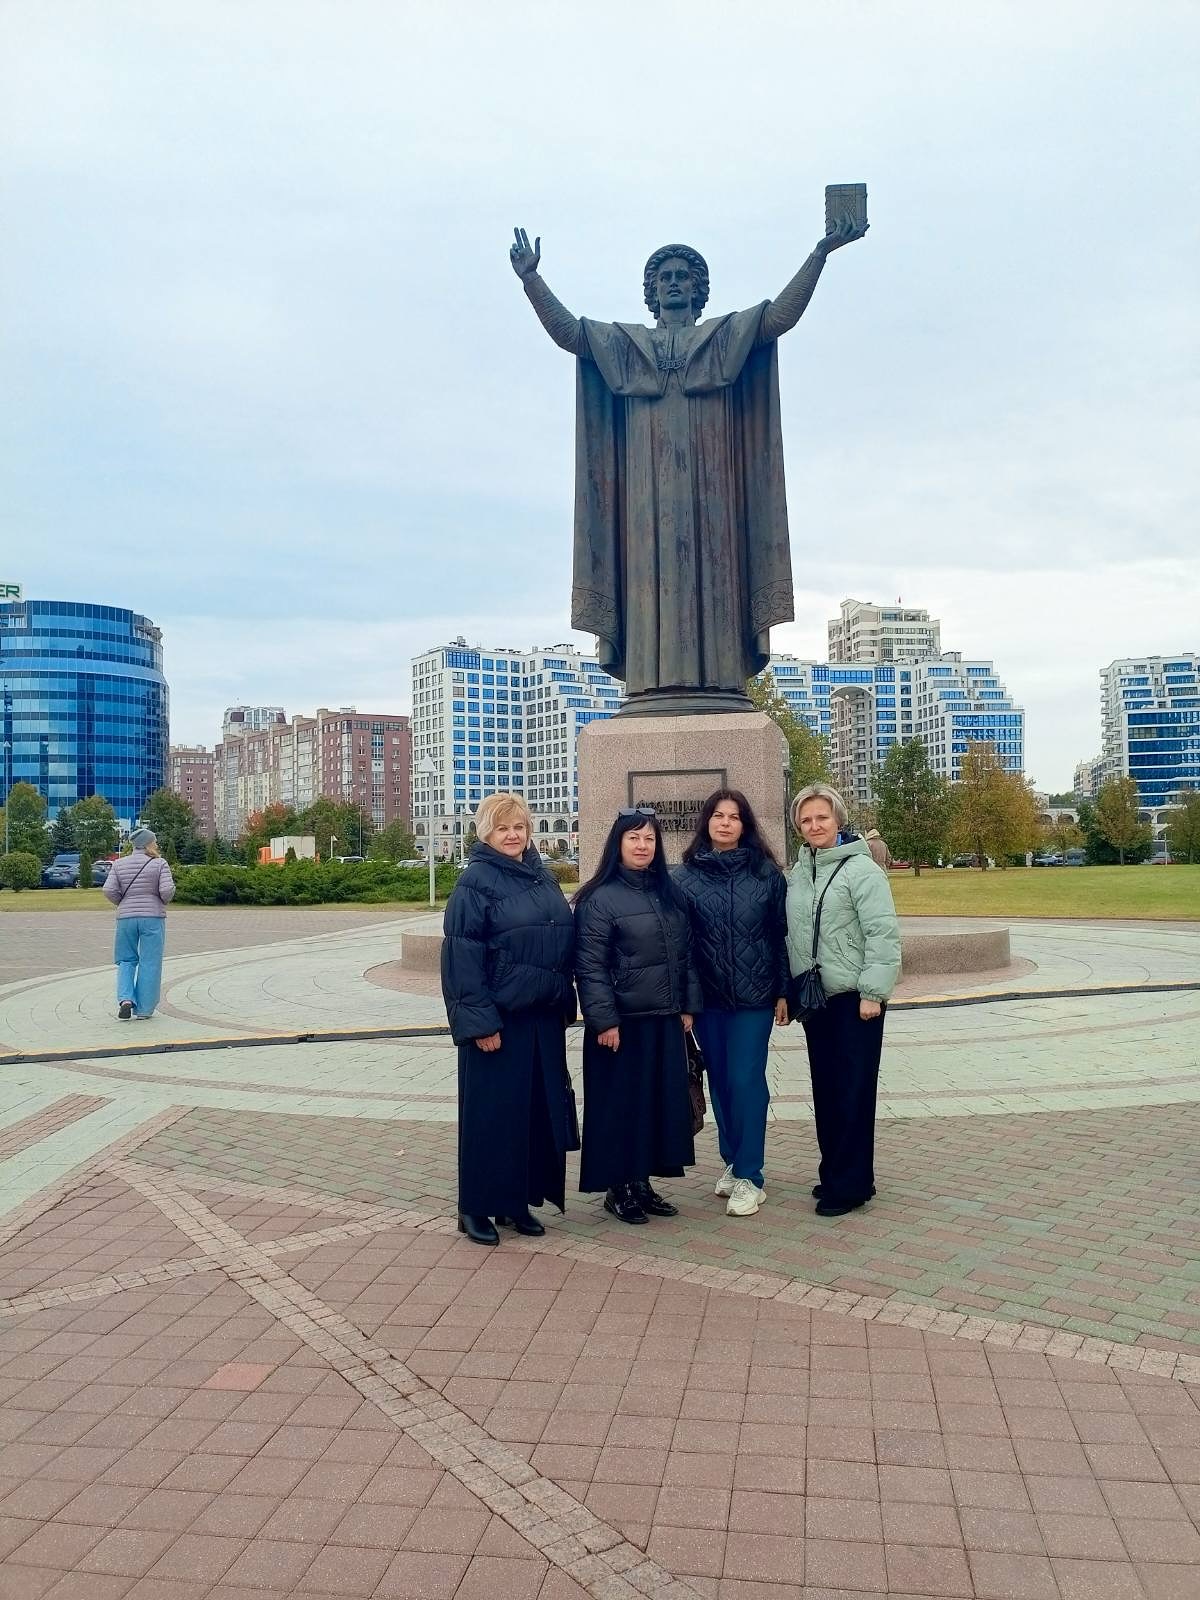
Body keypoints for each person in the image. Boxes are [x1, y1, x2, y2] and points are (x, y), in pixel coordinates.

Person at [508, 216, 867, 713]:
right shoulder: (627, 346)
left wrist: (819, 254)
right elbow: (572, 334)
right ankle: (651, 684)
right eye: (665, 277)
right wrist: (532, 280)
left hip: (714, 495)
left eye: (683, 276)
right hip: (643, 500)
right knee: (647, 584)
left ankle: (718, 682)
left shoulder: (724, 338)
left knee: (716, 580)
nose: (673, 283)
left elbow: (778, 318)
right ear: (652, 292)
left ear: (699, 290)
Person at [440, 793, 577, 1248]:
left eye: (519, 827)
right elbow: (461, 958)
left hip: (542, 1017)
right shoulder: (475, 882)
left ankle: (515, 1202)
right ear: (486, 833)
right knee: (492, 1118)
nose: (513, 835)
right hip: (500, 1022)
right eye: (503, 828)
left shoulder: (541, 875)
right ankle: (475, 1206)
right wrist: (480, 1024)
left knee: (531, 1116)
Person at [574, 809, 702, 1223]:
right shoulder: (599, 898)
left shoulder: (669, 893)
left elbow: (685, 955)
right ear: (618, 844)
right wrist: (604, 1020)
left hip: (663, 1017)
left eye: (649, 838)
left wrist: (686, 1005)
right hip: (622, 1024)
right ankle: (619, 1187)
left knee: (654, 1105)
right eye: (633, 838)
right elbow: (589, 966)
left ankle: (642, 1182)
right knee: (620, 1106)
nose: (642, 845)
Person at [786, 784, 901, 1217]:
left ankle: (850, 1185)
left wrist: (873, 992)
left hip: (855, 1000)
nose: (815, 825)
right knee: (828, 1089)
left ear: (838, 819)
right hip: (817, 998)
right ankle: (837, 1172)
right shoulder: (801, 872)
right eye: (806, 819)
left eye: (822, 817)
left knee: (853, 1091)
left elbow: (882, 933)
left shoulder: (862, 870)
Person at [675, 790, 788, 1218]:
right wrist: (686, 1002)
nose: (725, 823)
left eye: (734, 817)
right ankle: (733, 1161)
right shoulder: (685, 878)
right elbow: (682, 947)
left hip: (754, 999)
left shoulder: (766, 874)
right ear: (706, 821)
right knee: (720, 1082)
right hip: (708, 1001)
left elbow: (780, 936)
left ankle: (751, 1175)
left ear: (745, 825)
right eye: (718, 815)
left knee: (745, 1081)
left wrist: (783, 990)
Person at [102, 826, 176, 1021]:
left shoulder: (119, 864)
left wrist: (122, 902)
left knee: (126, 959)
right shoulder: (159, 863)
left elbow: (108, 890)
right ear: (149, 844)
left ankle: (125, 999)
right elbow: (167, 891)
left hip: (126, 918)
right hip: (152, 917)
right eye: (155, 841)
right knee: (150, 961)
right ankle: (144, 1009)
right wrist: (161, 900)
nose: (157, 844)